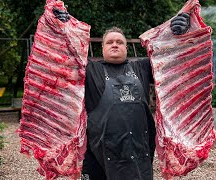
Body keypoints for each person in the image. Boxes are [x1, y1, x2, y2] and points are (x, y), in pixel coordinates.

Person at [53, 9, 190, 180]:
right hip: (99, 157)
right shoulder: (90, 70)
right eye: (110, 42)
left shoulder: (142, 67)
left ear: (126, 48)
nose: (115, 44)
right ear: (102, 48)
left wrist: (180, 36)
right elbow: (62, 58)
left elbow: (171, 61)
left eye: (119, 42)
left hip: (138, 154)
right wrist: (60, 29)